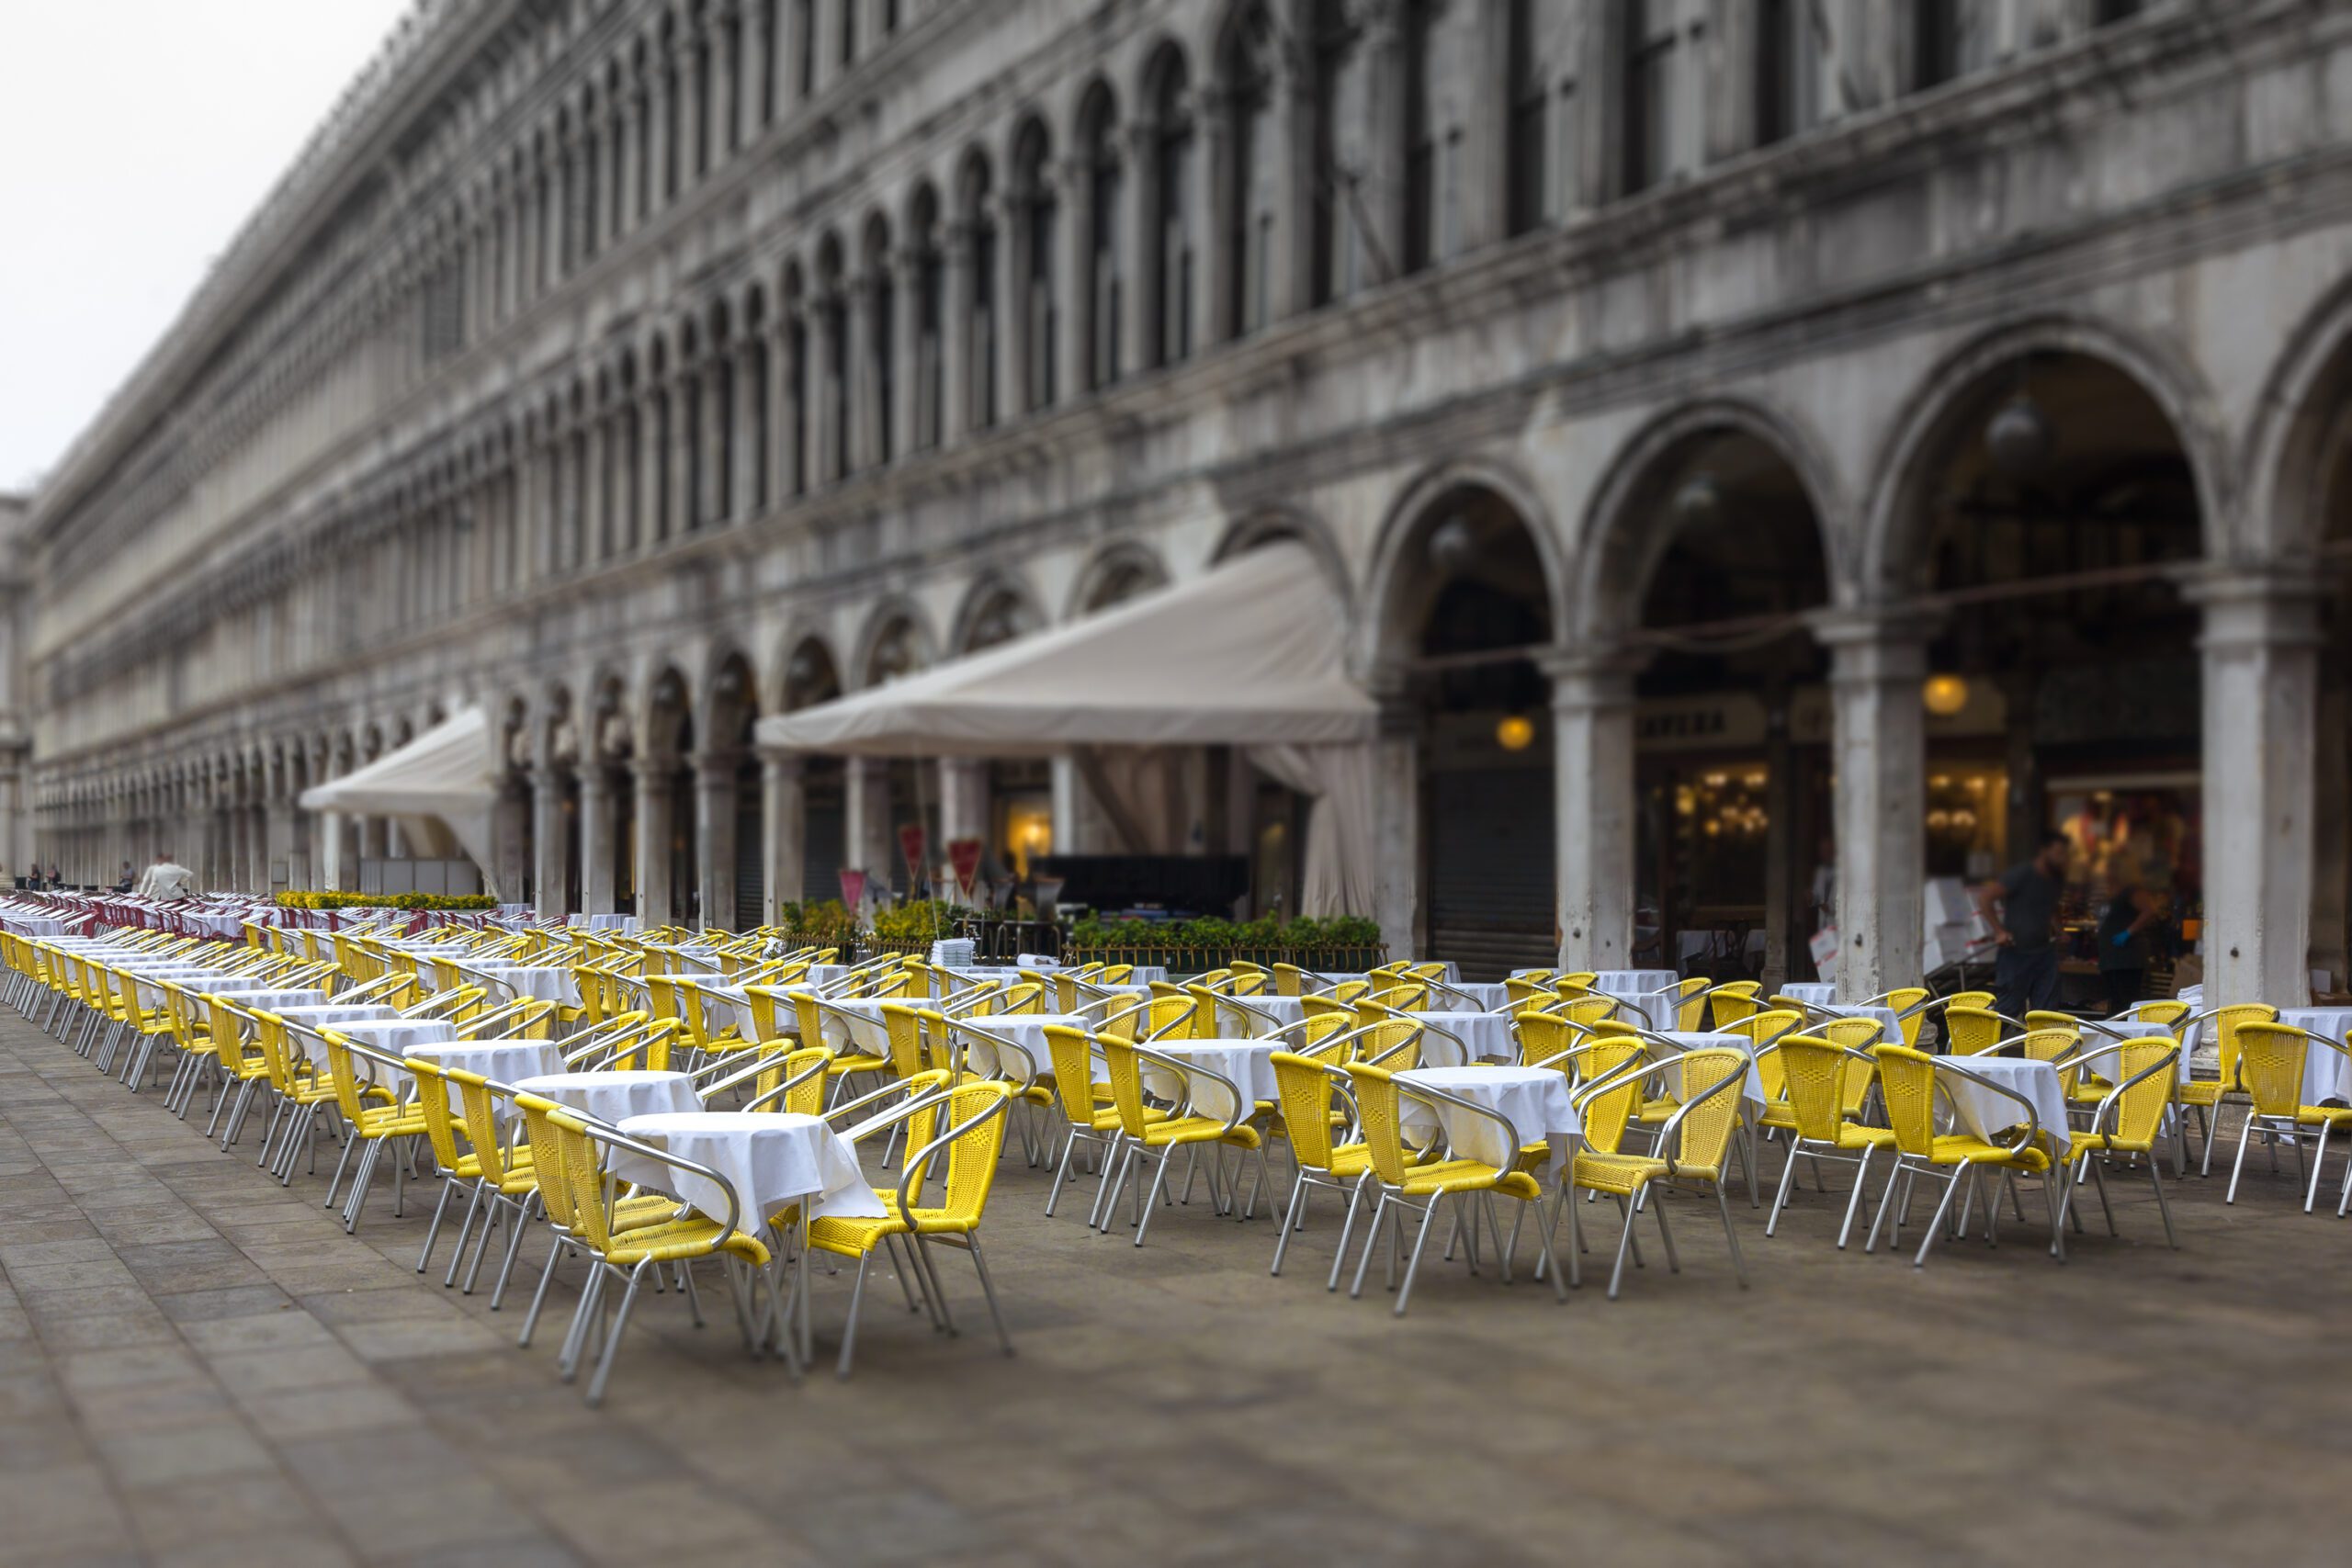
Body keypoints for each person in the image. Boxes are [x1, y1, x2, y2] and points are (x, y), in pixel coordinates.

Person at [1980, 831, 2068, 1021]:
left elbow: (2052, 906)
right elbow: (1986, 898)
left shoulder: (2056, 878)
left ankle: (2044, 1049)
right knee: (2008, 1008)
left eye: (2064, 853)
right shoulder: (2022, 874)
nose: (2062, 858)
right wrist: (1999, 931)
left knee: (2047, 1011)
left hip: (2044, 951)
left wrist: (2060, 931)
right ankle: (1988, 1048)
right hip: (2016, 951)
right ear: (2044, 851)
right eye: (2058, 852)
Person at [2097, 871, 2160, 1015]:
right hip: (2110, 958)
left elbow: (2150, 910)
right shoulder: (2109, 893)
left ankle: (2128, 1033)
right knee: (2116, 1001)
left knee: (2127, 1000)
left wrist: (2128, 932)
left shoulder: (2131, 890)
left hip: (2127, 958)